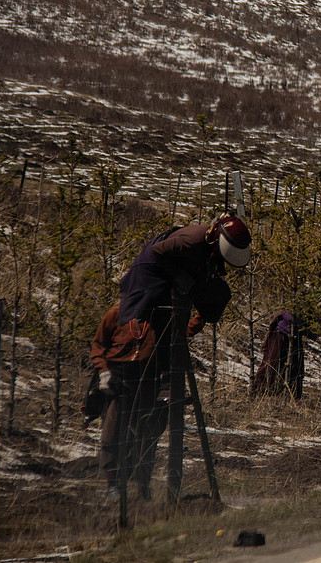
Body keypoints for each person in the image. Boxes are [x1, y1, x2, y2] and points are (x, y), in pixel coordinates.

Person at [110, 213, 248, 500]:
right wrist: (179, 276)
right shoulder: (190, 239)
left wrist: (190, 325)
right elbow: (159, 253)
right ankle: (123, 475)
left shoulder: (209, 250)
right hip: (147, 298)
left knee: (219, 293)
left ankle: (145, 472)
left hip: (169, 311)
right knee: (139, 395)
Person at [88, 302, 204, 501]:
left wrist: (201, 315)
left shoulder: (161, 317)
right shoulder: (116, 313)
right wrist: (105, 372)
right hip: (119, 381)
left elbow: (184, 331)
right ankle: (113, 486)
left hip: (150, 381)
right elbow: (99, 345)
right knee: (112, 433)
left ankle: (143, 487)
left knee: (146, 437)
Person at [252, 310, 305, 398]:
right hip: (280, 335)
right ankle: (258, 391)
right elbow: (288, 316)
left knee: (295, 368)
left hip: (295, 339)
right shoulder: (292, 302)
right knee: (271, 364)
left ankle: (289, 396)